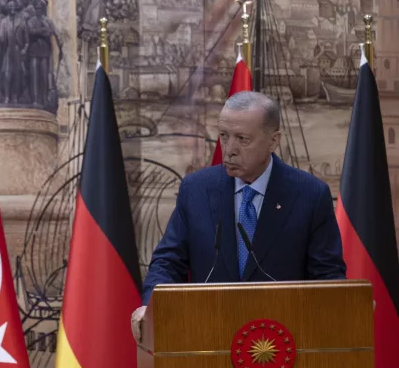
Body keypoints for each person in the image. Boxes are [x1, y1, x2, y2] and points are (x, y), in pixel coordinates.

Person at [131, 91, 347, 342]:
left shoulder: (309, 194)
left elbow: (327, 275)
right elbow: (168, 262)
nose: (229, 150)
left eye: (242, 139)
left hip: (283, 346)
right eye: (224, 136)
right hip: (207, 342)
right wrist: (151, 306)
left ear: (272, 140)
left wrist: (345, 303)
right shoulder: (197, 189)